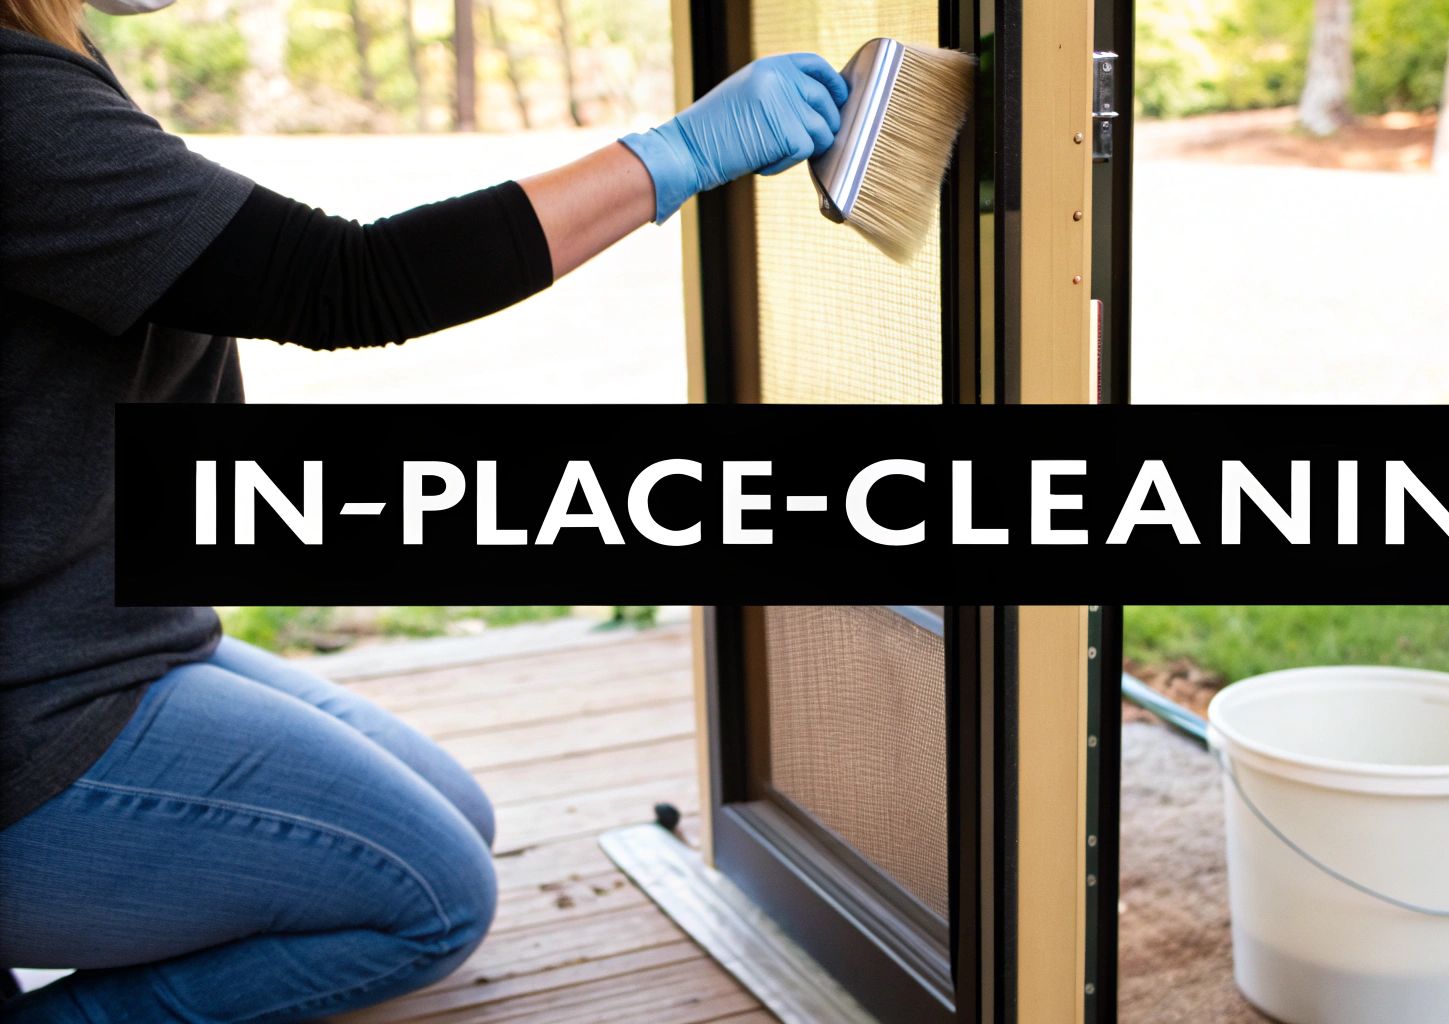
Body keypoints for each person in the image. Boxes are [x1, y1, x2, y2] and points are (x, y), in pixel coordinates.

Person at [0, 0, 848, 1015]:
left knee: (452, 816)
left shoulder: (44, 43)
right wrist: (679, 152)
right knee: (429, 897)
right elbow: (343, 283)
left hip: (94, 621)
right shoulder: (11, 95)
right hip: (34, 697)